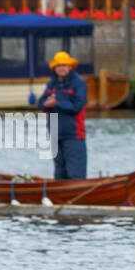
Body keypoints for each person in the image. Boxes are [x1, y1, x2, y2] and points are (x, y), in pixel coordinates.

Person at [36, 51, 88, 180]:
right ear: (54, 68)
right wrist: (47, 104)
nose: (61, 68)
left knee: (76, 174)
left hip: (73, 135)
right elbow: (41, 104)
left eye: (64, 65)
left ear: (70, 66)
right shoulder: (51, 83)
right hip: (54, 134)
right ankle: (60, 199)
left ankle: (78, 197)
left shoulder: (79, 83)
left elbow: (77, 107)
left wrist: (57, 103)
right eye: (58, 66)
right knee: (59, 174)